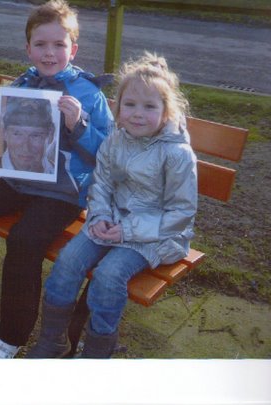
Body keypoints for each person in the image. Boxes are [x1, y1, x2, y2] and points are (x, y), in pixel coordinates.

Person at [0, 0, 114, 359]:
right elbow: (13, 136)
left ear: (73, 49)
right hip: (20, 182)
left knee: (23, 240)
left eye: (59, 45)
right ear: (28, 48)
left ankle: (11, 337)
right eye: (41, 44)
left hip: (63, 194)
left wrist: (78, 125)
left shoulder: (89, 94)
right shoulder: (23, 83)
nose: (49, 53)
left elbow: (110, 155)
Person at [27, 51, 198, 359]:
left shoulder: (177, 154)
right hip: (110, 223)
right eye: (129, 105)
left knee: (108, 276)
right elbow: (102, 183)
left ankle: (97, 352)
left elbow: (181, 214)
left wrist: (125, 231)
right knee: (67, 261)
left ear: (166, 111)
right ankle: (53, 340)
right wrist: (100, 217)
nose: (137, 114)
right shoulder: (115, 140)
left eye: (149, 106)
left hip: (156, 236)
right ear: (118, 108)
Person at [0, 96, 56, 174]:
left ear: (50, 135)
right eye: (17, 134)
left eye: (35, 135)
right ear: (4, 133)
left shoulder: (56, 172)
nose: (26, 148)